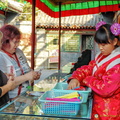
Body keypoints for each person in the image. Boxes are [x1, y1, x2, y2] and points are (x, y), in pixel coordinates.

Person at [67, 21, 120, 120]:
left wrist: (87, 80)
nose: (100, 47)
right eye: (99, 44)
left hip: (110, 113)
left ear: (115, 42)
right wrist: (75, 78)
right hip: (98, 108)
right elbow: (88, 68)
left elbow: (105, 89)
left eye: (104, 44)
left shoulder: (117, 64)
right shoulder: (100, 57)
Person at [0, 24, 41, 100]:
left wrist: (33, 74)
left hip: (24, 95)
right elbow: (5, 83)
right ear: (5, 41)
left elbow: (26, 69)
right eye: (15, 42)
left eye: (18, 42)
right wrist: (26, 77)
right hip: (11, 99)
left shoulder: (18, 52)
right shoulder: (1, 56)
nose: (17, 45)